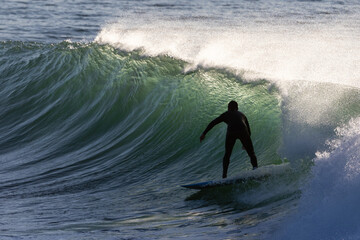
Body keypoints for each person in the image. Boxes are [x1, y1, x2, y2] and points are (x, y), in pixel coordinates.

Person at [200, 101, 258, 178]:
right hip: (243, 131)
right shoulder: (242, 115)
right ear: (237, 108)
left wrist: (204, 133)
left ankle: (224, 176)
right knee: (251, 153)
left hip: (232, 131)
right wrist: (245, 143)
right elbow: (249, 131)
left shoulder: (226, 114)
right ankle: (256, 170)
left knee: (227, 155)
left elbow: (213, 123)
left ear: (228, 108)